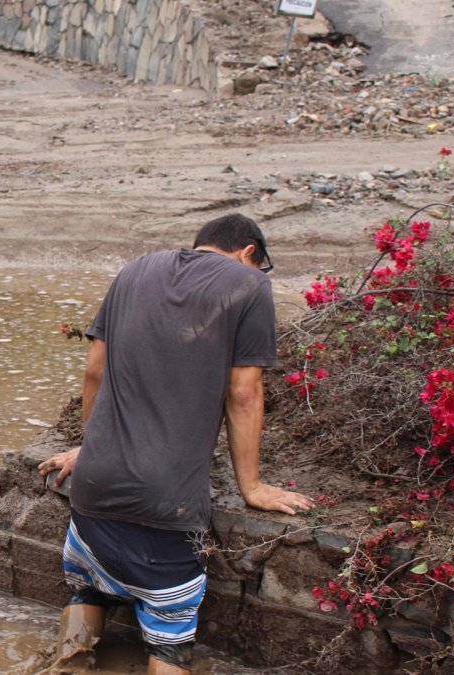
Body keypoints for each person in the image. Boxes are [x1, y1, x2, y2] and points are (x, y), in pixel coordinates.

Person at [36, 213, 314, 674]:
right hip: (166, 511)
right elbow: (243, 393)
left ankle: (67, 663)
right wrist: (253, 487)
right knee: (168, 641)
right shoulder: (249, 286)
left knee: (87, 590)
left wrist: (92, 447)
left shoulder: (134, 269)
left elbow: (94, 371)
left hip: (92, 495)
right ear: (249, 254)